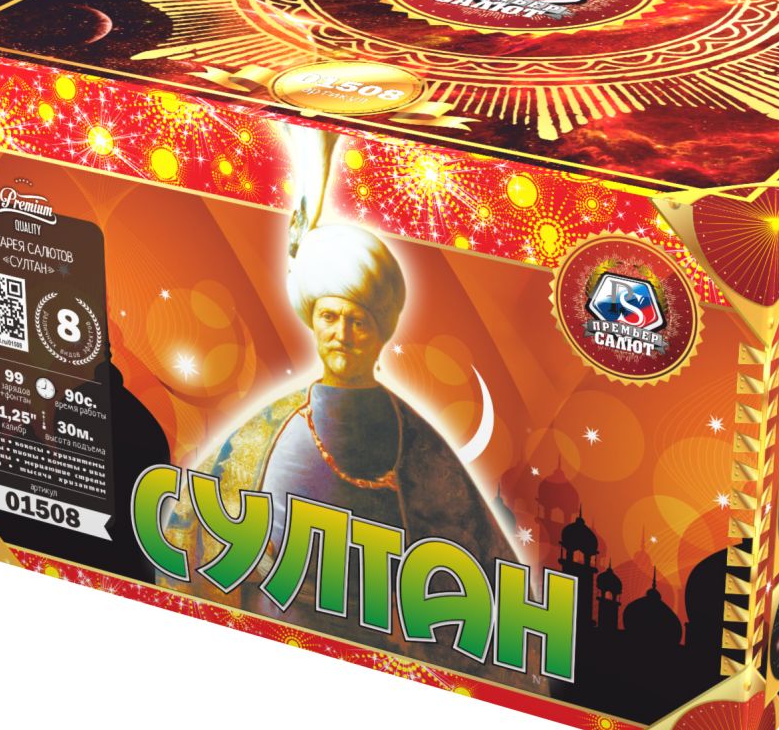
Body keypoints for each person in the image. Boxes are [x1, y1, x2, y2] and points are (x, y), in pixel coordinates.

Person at [160, 219, 518, 672]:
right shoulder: (267, 431)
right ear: (312, 320)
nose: (342, 335)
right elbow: (195, 534)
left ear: (380, 331)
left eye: (358, 322)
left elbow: (477, 568)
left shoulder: (419, 444)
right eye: (329, 317)